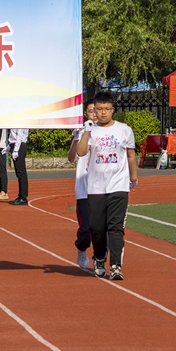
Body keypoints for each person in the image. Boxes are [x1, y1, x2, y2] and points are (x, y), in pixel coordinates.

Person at [75, 92, 137, 280]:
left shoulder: (124, 130)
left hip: (118, 185)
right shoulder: (91, 131)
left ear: (112, 110)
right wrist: (86, 131)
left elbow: (131, 155)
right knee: (97, 228)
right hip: (95, 187)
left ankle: (116, 265)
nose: (103, 113)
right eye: (99, 109)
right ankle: (100, 259)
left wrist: (133, 177)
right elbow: (81, 152)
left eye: (106, 109)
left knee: (116, 227)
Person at [68, 101, 97, 266]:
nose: (94, 113)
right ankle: (81, 249)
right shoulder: (81, 133)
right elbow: (71, 158)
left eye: (96, 110)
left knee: (99, 229)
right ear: (86, 114)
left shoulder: (104, 133)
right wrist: (75, 139)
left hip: (100, 188)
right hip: (83, 190)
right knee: (86, 229)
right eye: (91, 111)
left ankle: (98, 258)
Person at [8, 128, 30, 205]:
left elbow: (19, 135)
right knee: (19, 173)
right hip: (16, 145)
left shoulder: (20, 122)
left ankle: (23, 197)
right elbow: (13, 135)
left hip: (19, 146)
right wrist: (9, 147)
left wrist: (16, 150)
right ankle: (21, 196)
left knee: (21, 173)